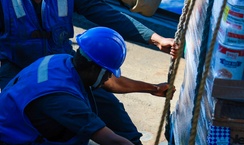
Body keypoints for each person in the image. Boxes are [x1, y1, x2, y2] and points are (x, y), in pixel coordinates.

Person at [0, 0, 178, 145]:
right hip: (20, 72)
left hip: (62, 67)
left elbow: (107, 14)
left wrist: (155, 39)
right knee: (48, 121)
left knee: (109, 108)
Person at [0, 27, 139, 144]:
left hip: (13, 123)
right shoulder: (62, 99)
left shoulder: (60, 61)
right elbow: (112, 141)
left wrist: (153, 88)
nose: (109, 77)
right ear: (93, 68)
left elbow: (111, 83)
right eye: (108, 72)